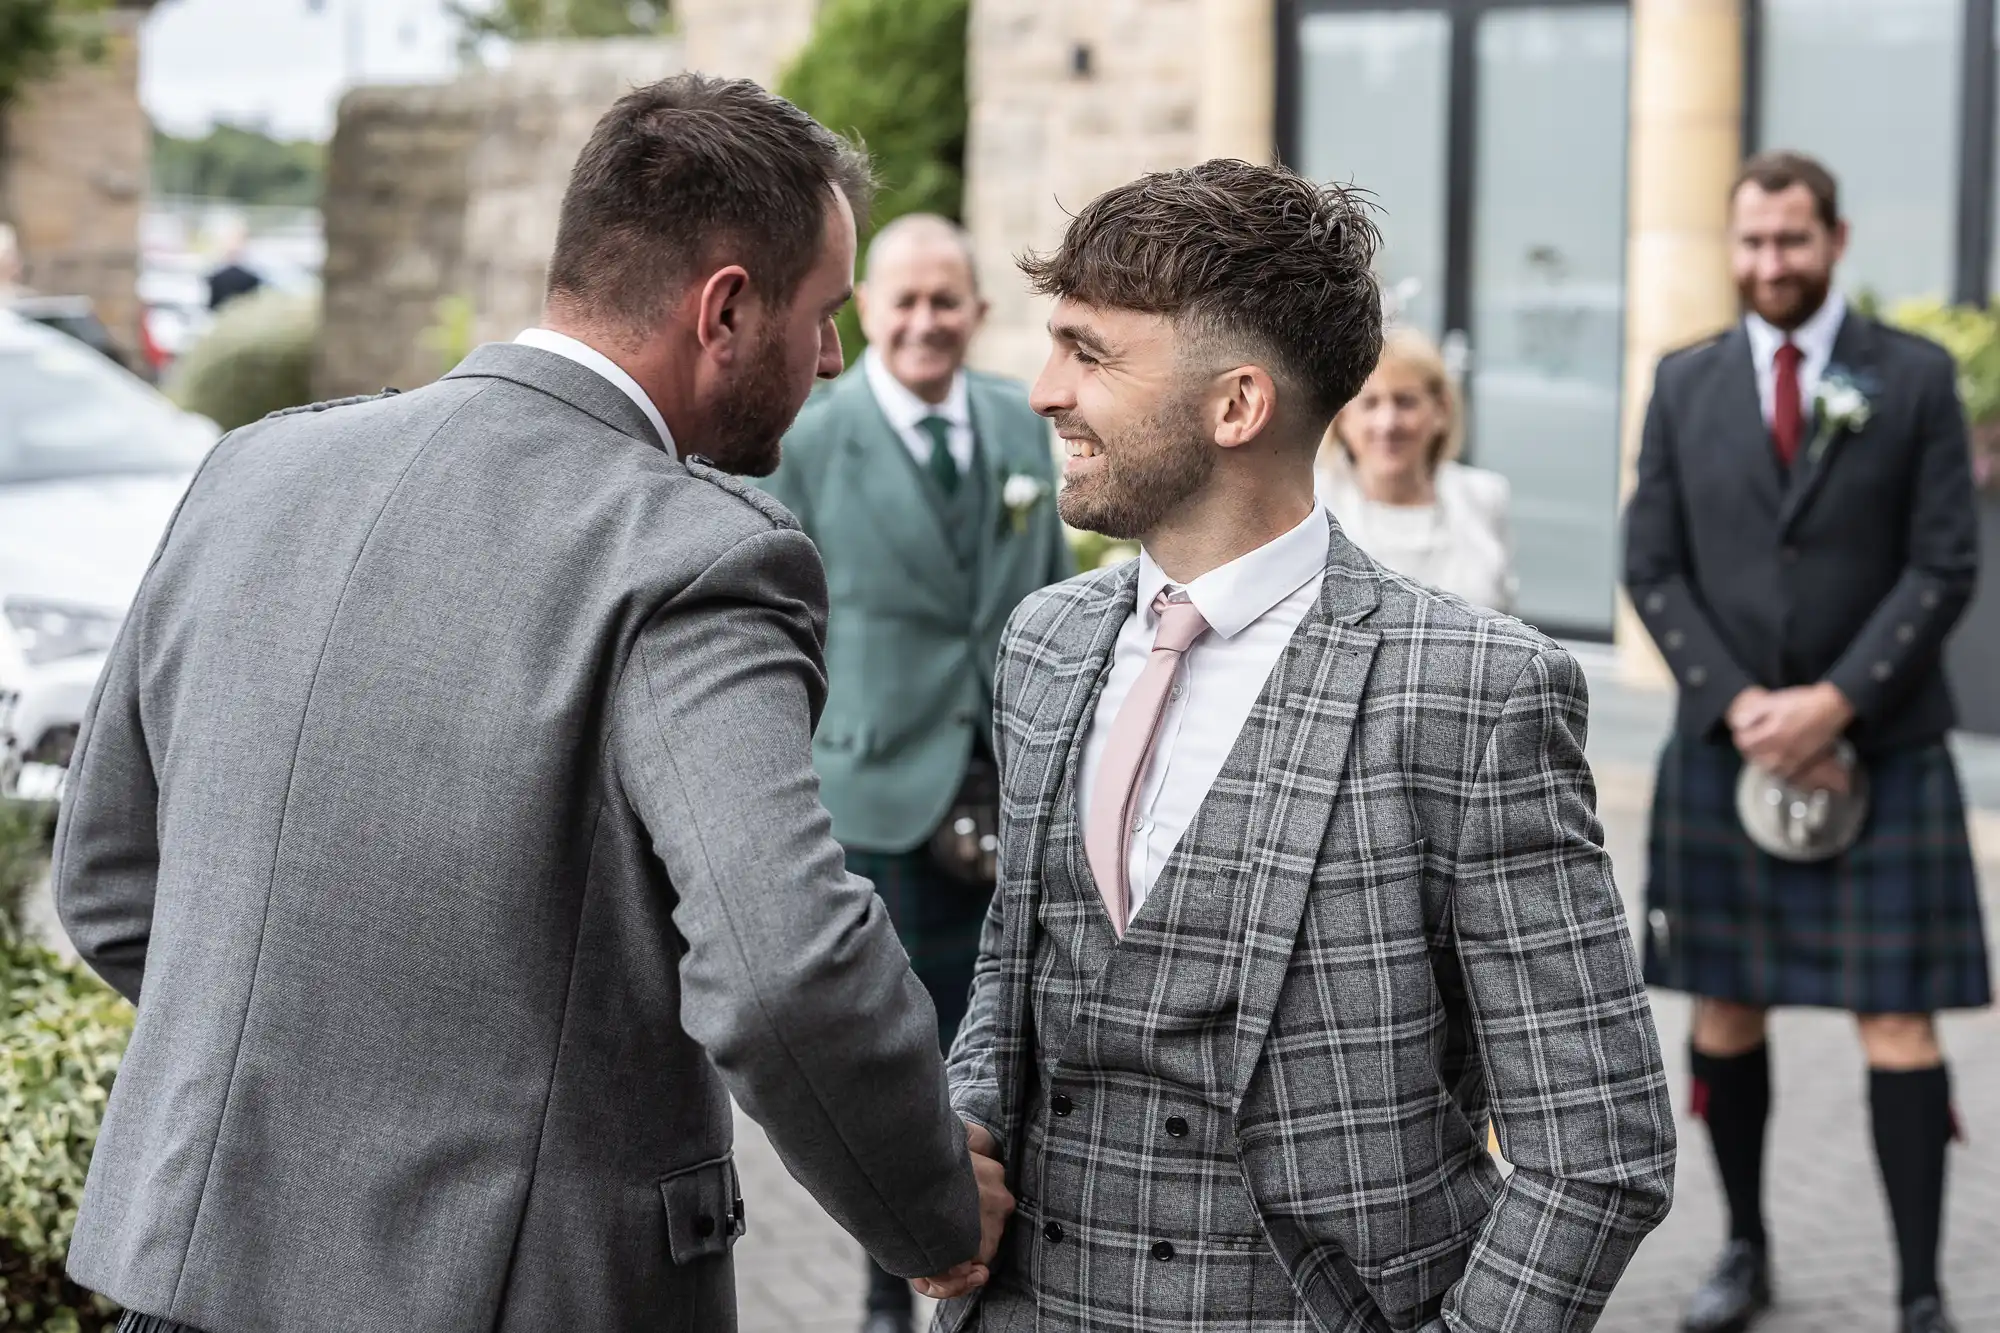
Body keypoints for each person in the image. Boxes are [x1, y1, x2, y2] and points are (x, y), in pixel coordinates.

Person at [52, 75, 1011, 1333]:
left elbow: (112, 885)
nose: (833, 356)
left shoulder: (252, 469)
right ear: (724, 308)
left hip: (182, 1286)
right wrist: (936, 1212)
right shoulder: (694, 553)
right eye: (823, 313)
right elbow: (784, 971)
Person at [927, 159, 1676, 1333]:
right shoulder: (1045, 644)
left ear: (1236, 406)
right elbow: (1010, 976)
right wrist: (960, 1131)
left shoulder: (1474, 693)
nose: (1041, 390)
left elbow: (1598, 1144)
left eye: (1090, 352)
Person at [1626, 150, 1988, 1333]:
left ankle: (1922, 1291)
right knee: (1725, 1009)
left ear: (1832, 241)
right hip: (1722, 746)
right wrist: (1739, 703)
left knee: (1895, 1021)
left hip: (1879, 747)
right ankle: (1741, 1250)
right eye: (1750, 243)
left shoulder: (1915, 376)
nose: (1768, 263)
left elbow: (1943, 563)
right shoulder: (1682, 382)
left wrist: (1835, 701)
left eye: (1790, 240)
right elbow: (1650, 564)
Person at [758, 212, 1071, 1333]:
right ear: (867, 311)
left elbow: (1040, 594)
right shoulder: (812, 438)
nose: (926, 322)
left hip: (1011, 794)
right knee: (905, 1077)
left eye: (947, 300)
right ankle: (890, 1298)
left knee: (1009, 1065)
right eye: (904, 301)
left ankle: (997, 1290)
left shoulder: (1020, 421)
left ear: (975, 311)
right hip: (875, 799)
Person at [1315, 327, 1516, 613]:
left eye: (1405, 401)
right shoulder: (1313, 504)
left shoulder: (1484, 497)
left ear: (1441, 410)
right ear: (1342, 418)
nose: (1387, 424)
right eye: (1370, 403)